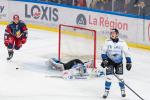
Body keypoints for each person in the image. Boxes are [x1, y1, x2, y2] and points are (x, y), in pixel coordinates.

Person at [101, 28, 132, 98]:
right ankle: (106, 91)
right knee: (108, 77)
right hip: (109, 62)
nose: (112, 34)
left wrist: (129, 62)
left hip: (119, 62)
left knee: (120, 77)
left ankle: (122, 89)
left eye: (113, 33)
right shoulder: (107, 41)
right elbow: (103, 52)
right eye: (111, 33)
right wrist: (105, 60)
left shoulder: (122, 42)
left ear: (117, 34)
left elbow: (127, 53)